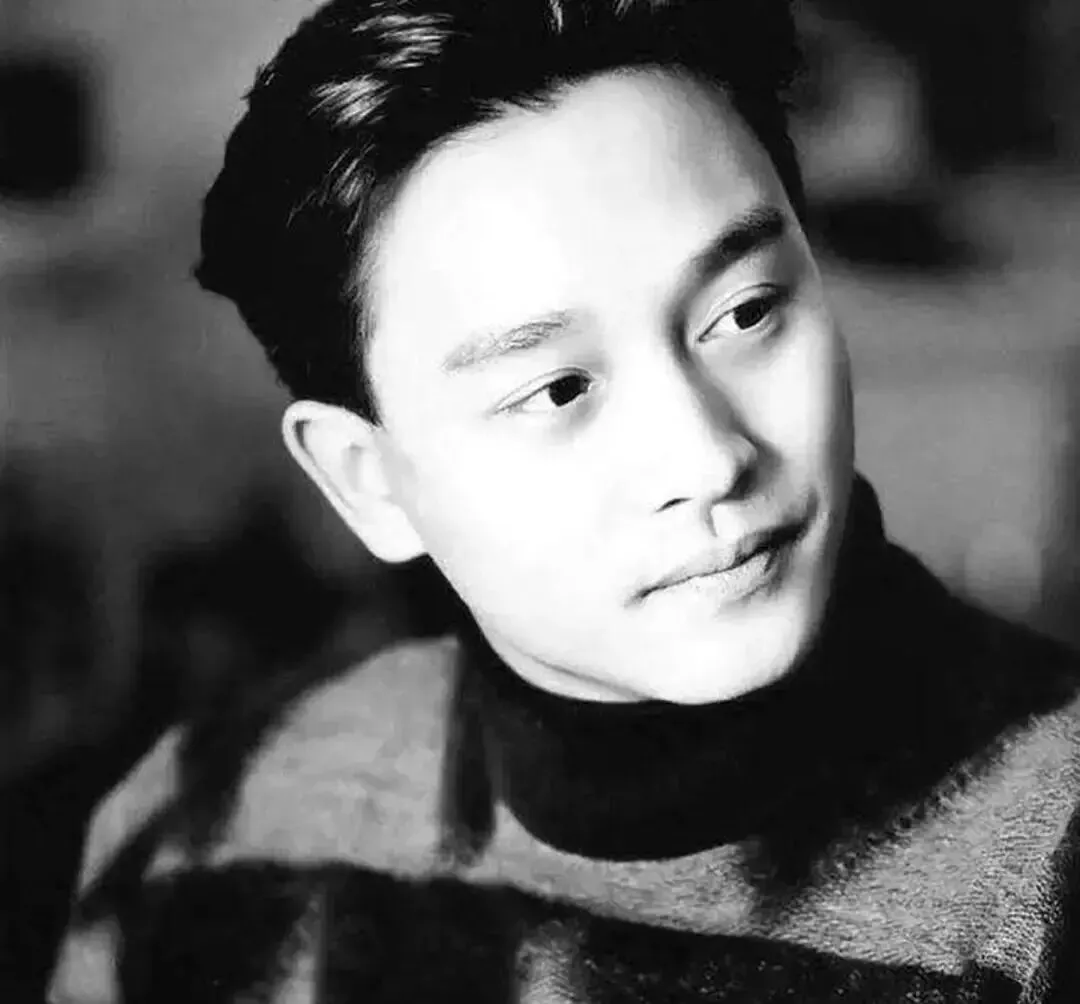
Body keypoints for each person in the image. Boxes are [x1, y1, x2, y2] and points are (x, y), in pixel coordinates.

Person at [48, 0, 1080, 1000]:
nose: (708, 458)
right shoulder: (200, 835)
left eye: (747, 312)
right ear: (368, 480)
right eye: (557, 390)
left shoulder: (1053, 854)